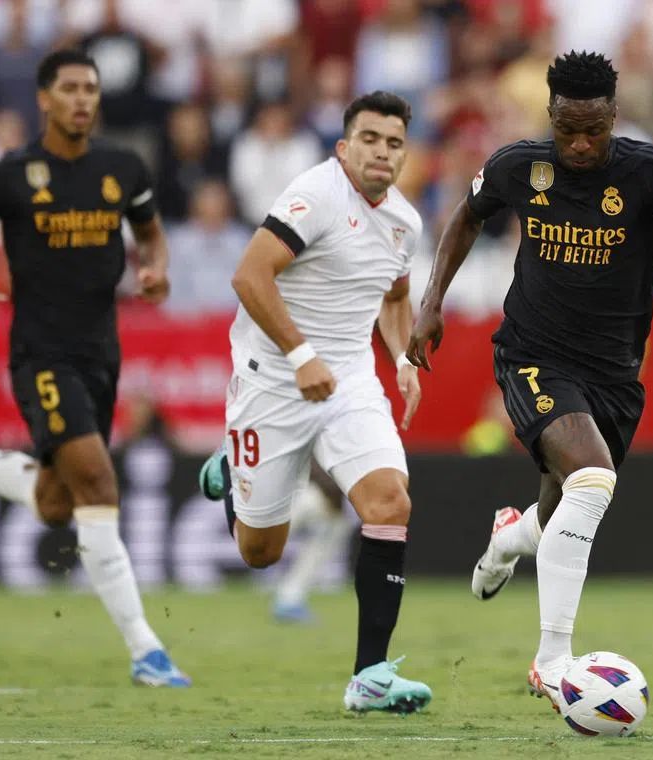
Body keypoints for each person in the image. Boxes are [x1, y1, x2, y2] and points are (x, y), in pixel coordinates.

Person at [406, 50, 653, 712]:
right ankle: (553, 662)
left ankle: (511, 537)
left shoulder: (647, 171)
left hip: (613, 373)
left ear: (613, 116)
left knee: (563, 511)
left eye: (594, 130)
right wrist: (431, 302)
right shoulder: (518, 165)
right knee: (592, 479)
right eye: (567, 130)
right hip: (533, 354)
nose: (580, 144)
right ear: (550, 115)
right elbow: (467, 216)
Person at [0, 48, 189, 688]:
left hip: (101, 353)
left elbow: (151, 232)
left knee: (57, 503)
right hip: (41, 354)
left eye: (91, 89)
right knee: (99, 484)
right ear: (44, 99)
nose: (82, 99)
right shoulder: (9, 175)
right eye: (70, 88)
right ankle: (146, 649)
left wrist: (156, 268)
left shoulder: (123, 167)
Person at [208, 90, 431, 713]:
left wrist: (403, 359)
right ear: (344, 146)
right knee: (260, 553)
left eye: (393, 143)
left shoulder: (405, 222)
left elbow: (394, 297)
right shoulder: (316, 194)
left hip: (350, 380)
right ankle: (230, 467)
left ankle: (370, 676)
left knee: (389, 502)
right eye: (369, 139)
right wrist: (301, 355)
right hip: (274, 379)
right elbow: (250, 275)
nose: (381, 152)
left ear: (404, 154)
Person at [199, 454, 352, 624]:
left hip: (313, 492)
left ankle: (289, 598)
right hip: (294, 486)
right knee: (266, 533)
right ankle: (227, 461)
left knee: (335, 527)